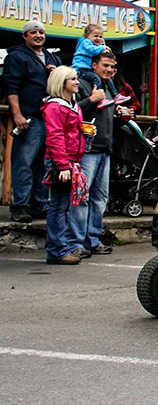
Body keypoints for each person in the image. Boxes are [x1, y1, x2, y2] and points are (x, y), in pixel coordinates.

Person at [3, 21, 63, 222]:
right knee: (23, 163)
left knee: (44, 165)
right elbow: (11, 87)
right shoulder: (16, 56)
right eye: (33, 32)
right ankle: (20, 206)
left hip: (51, 119)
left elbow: (65, 86)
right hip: (30, 118)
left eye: (41, 32)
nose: (38, 35)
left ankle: (40, 204)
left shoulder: (52, 57)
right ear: (25, 36)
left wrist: (56, 74)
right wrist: (17, 115)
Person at [73, 51, 127, 256]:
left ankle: (93, 240)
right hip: (87, 150)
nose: (109, 70)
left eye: (112, 67)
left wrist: (122, 116)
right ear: (94, 65)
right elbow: (72, 112)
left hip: (105, 150)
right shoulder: (81, 84)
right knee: (81, 197)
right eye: (105, 65)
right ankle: (76, 243)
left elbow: (107, 117)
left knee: (100, 198)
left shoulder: (110, 88)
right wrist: (91, 100)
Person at [41, 66, 86, 265]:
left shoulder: (72, 105)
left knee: (64, 205)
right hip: (61, 161)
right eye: (72, 79)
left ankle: (61, 247)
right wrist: (62, 165)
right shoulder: (55, 107)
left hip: (71, 160)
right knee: (59, 206)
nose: (77, 82)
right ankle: (57, 250)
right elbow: (55, 136)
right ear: (62, 82)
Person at [72, 23, 113, 93]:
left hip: (86, 68)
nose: (98, 38)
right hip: (80, 68)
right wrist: (102, 47)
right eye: (95, 36)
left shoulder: (93, 46)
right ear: (86, 35)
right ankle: (99, 94)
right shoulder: (85, 42)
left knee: (107, 79)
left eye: (100, 37)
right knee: (96, 78)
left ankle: (116, 95)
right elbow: (93, 50)